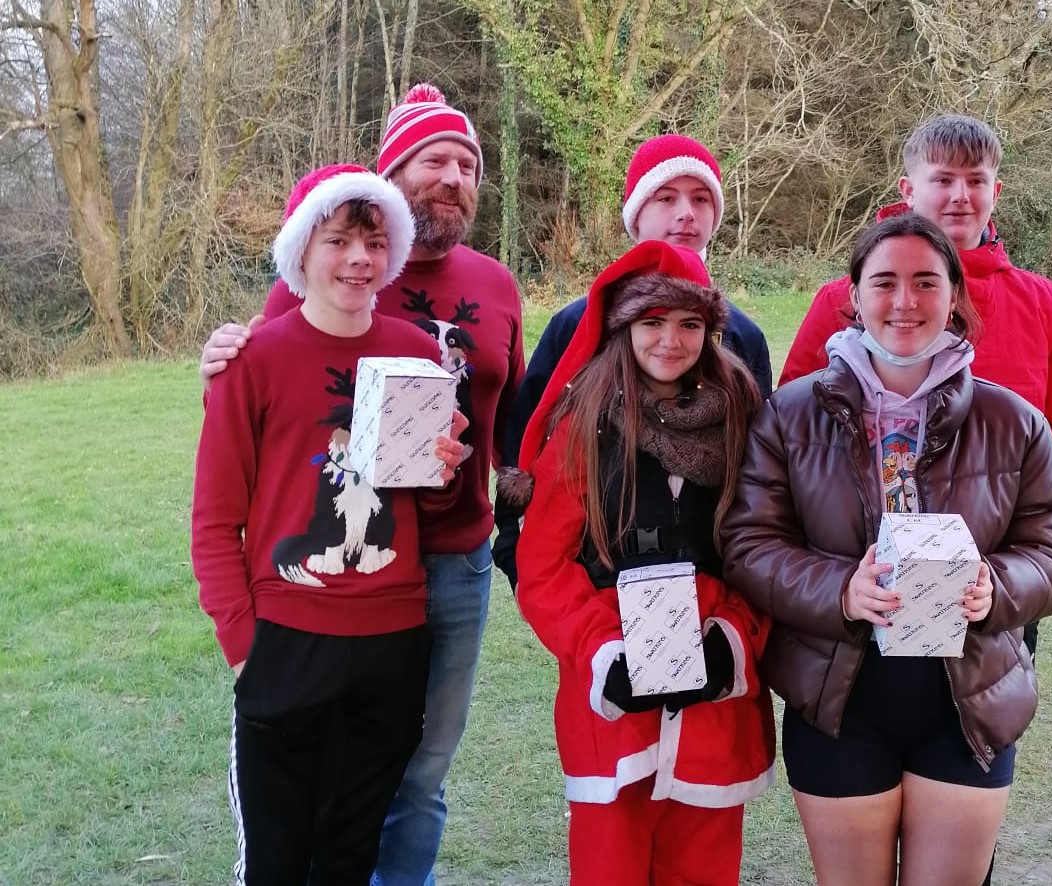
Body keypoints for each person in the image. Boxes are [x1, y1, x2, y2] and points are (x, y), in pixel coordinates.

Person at [198, 85, 524, 886]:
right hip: (294, 623)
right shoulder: (267, 345)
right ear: (304, 250)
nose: (356, 258)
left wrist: (454, 471)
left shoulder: (435, 331)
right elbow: (221, 508)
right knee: (282, 846)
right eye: (432, 159)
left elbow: (445, 477)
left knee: (402, 791)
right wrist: (246, 643)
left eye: (466, 163)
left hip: (412, 606)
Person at [720, 214, 1052, 886]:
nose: (905, 301)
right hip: (837, 702)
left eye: (925, 281)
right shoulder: (790, 414)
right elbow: (747, 544)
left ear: (953, 297)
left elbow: (1051, 549)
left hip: (968, 701)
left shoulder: (1013, 422)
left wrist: (992, 585)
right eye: (884, 282)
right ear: (852, 297)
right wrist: (839, 591)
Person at [505, 240, 776, 885]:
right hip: (611, 707)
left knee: (703, 868)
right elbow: (542, 566)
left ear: (711, 332)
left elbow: (768, 552)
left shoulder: (746, 421)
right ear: (623, 327)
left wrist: (731, 644)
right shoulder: (582, 427)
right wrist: (602, 654)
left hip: (717, 704)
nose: (670, 340)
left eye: (688, 324)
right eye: (651, 322)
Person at [780, 114, 1052, 514]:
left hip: (1000, 557)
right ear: (908, 190)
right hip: (863, 553)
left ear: (996, 191)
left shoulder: (1044, 304)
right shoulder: (840, 300)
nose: (960, 195)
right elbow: (793, 429)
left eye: (975, 180)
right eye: (943, 180)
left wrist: (1032, 511)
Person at [491, 134, 773, 591]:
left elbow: (757, 467)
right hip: (594, 586)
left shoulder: (743, 337)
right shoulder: (575, 325)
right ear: (635, 214)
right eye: (666, 197)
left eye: (701, 199)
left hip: (709, 592)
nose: (686, 212)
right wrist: (520, 556)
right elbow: (526, 438)